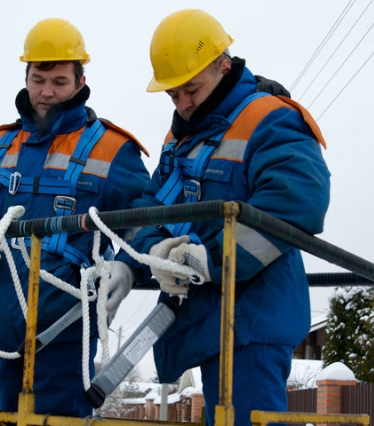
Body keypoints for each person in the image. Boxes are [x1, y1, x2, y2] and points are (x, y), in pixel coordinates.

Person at [120, 9, 331, 425]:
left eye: (191, 90)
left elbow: (298, 200)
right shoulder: (179, 139)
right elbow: (148, 208)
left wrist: (209, 260)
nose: (183, 104)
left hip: (254, 317)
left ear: (223, 65)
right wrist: (148, 254)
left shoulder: (272, 119)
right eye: (173, 96)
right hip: (204, 317)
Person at [0, 18, 150, 417]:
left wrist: (128, 266)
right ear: (26, 75)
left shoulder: (111, 151)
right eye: (38, 79)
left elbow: (149, 225)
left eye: (60, 81)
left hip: (64, 329)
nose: (46, 92)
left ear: (81, 81)